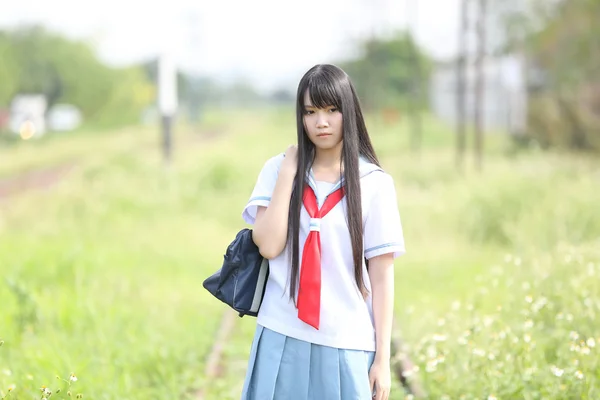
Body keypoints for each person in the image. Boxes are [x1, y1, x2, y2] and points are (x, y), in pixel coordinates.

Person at [240, 64, 405, 400]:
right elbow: (269, 245)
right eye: (310, 112)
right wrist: (289, 169)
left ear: (350, 111)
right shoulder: (276, 169)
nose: (322, 122)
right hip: (281, 334)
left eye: (332, 110)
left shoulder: (374, 184)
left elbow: (382, 275)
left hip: (347, 342)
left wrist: (383, 360)